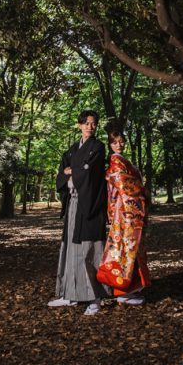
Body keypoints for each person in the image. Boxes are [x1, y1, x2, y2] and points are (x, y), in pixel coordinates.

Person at [49, 110, 107, 315]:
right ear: (79, 125)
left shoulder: (98, 147)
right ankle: (71, 294)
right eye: (86, 123)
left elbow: (89, 171)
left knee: (89, 250)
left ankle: (95, 298)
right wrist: (73, 170)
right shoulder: (73, 149)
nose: (90, 127)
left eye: (93, 123)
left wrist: (73, 170)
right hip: (73, 204)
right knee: (71, 250)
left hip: (90, 205)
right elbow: (61, 173)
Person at [96, 126, 150, 305]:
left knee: (129, 249)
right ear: (110, 144)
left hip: (127, 212)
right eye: (115, 142)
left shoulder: (123, 161)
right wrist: (142, 189)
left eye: (121, 141)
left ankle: (129, 289)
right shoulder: (116, 163)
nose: (119, 145)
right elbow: (124, 186)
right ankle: (122, 291)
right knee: (124, 250)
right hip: (124, 213)